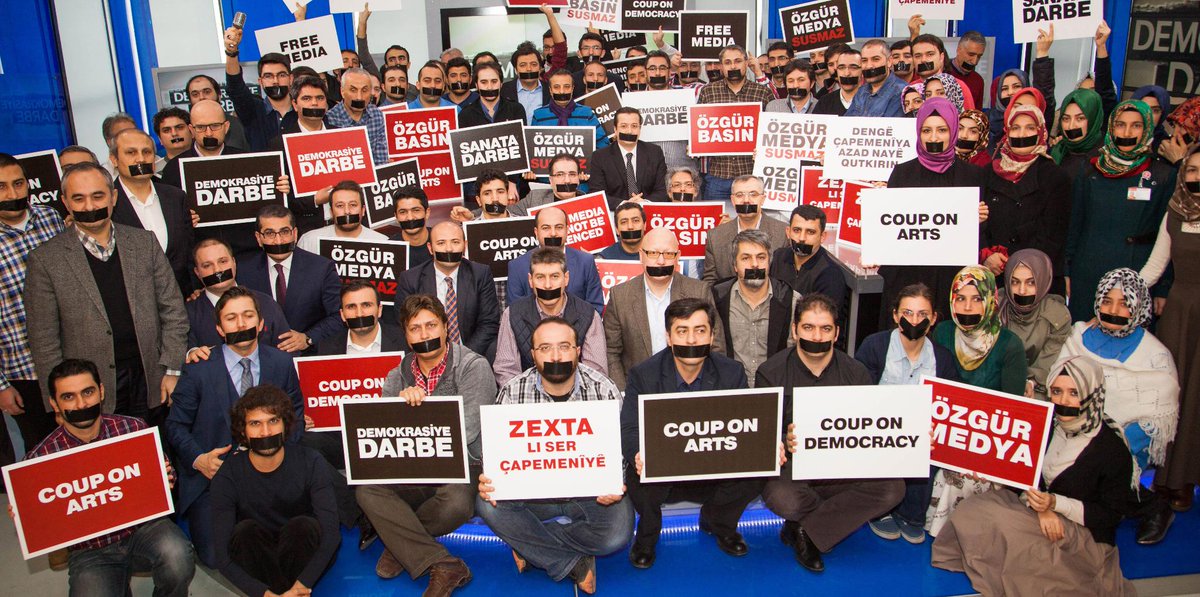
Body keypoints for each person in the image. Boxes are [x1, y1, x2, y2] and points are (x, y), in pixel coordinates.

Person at [931, 356, 1138, 596]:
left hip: (1083, 531)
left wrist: (1056, 505)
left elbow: (1110, 515)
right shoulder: (1047, 426)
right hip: (1035, 509)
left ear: (1092, 393)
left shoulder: (1113, 450)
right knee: (971, 509)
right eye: (1057, 391)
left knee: (1023, 545)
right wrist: (995, 475)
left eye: (1074, 393)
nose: (1063, 401)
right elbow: (1025, 477)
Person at [476, 317, 632, 595]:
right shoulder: (512, 391)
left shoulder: (604, 389)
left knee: (617, 535)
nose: (556, 356)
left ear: (578, 351)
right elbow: (497, 456)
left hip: (590, 495)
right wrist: (491, 481)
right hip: (533, 496)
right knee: (486, 504)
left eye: (564, 346)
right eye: (545, 348)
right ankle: (571, 562)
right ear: (532, 354)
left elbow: (619, 451)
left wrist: (614, 482)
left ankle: (529, 545)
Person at [25, 162, 188, 421]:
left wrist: (172, 369)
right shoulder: (45, 260)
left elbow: (173, 310)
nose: (90, 206)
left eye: (98, 196)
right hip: (88, 390)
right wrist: (59, 400)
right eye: (79, 198)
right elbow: (44, 340)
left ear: (113, 197)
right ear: (65, 202)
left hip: (151, 376)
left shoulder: (144, 242)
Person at [20, 359, 195, 596]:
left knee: (177, 556)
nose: (81, 404)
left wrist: (166, 476)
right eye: (68, 397)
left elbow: (167, 474)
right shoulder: (40, 458)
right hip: (91, 549)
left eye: (88, 392)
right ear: (54, 403)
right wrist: (28, 511)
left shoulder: (133, 429)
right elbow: (44, 520)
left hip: (143, 530)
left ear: (101, 391)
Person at [358, 294, 496, 592]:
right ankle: (444, 563)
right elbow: (383, 436)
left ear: (446, 327)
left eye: (431, 325)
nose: (424, 334)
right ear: (406, 336)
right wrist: (398, 408)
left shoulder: (474, 366)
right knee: (366, 490)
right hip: (412, 467)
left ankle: (401, 545)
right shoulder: (396, 376)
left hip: (463, 465)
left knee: (457, 503)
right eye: (415, 328)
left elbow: (469, 429)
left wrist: (422, 411)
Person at [759, 294, 904, 572]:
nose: (817, 336)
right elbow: (762, 436)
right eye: (808, 327)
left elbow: (870, 431)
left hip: (842, 468)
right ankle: (824, 521)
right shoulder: (771, 372)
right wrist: (782, 441)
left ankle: (806, 530)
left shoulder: (856, 373)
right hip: (794, 470)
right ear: (795, 330)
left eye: (825, 328)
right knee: (781, 497)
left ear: (836, 333)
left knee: (893, 488)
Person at [165, 286, 304, 567]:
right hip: (213, 480)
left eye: (248, 315)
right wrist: (199, 459)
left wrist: (277, 455)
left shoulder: (281, 362)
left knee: (295, 541)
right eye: (231, 318)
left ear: (261, 324)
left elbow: (296, 416)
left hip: (270, 473)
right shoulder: (199, 368)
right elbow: (175, 425)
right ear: (219, 329)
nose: (241, 324)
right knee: (217, 556)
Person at [620, 298, 764, 567]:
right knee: (636, 475)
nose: (691, 339)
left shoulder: (731, 372)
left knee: (759, 470)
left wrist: (764, 445)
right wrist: (638, 453)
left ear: (711, 335)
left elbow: (746, 425)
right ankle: (647, 536)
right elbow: (629, 428)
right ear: (669, 337)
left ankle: (719, 523)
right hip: (663, 475)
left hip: (714, 468)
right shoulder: (644, 374)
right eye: (682, 331)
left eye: (700, 330)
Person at [1059, 268, 1179, 544]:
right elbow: (1059, 382)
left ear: (1138, 307)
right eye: (1107, 301)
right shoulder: (1079, 336)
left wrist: (1107, 446)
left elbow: (1157, 416)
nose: (1113, 310)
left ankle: (1154, 508)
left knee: (1098, 469)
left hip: (1123, 442)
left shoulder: (1155, 355)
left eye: (1124, 303)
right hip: (1072, 427)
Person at [210, 386, 340, 597]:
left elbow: (331, 537)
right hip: (257, 555)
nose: (266, 432)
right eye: (255, 424)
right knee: (244, 532)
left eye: (273, 421)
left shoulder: (311, 461)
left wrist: (300, 586)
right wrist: (266, 595)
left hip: (302, 548)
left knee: (303, 526)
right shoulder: (227, 475)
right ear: (243, 431)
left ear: (285, 425)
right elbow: (223, 558)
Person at [927, 266, 1028, 536]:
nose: (968, 307)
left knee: (959, 479)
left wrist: (983, 455)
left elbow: (1014, 410)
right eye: (960, 298)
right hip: (945, 434)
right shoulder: (943, 332)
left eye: (976, 299)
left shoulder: (1009, 344)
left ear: (991, 300)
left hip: (987, 441)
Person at [856, 284, 959, 544]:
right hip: (877, 433)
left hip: (920, 440)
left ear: (933, 319)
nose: (914, 321)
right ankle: (879, 509)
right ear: (895, 315)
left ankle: (911, 515)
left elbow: (950, 409)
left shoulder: (943, 359)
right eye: (907, 313)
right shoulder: (875, 346)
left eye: (922, 314)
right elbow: (857, 398)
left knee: (928, 450)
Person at [878, 97, 988, 327]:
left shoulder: (973, 176)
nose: (934, 137)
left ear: (953, 131)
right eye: (926, 130)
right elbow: (890, 228)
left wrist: (978, 220)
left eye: (942, 130)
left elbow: (979, 237)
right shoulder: (902, 173)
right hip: (907, 277)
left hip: (951, 278)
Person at [1065, 100, 1175, 323]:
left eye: (1136, 126)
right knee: (1083, 333)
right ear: (1111, 128)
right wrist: (1066, 269)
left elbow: (1167, 237)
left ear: (1147, 129)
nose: (1127, 132)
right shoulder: (1091, 169)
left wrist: (1163, 287)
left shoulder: (1162, 174)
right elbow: (1075, 223)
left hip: (1135, 271)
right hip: (1088, 268)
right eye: (1120, 125)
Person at [1140, 144, 1200, 511]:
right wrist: (1121, 293)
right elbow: (1154, 266)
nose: (1196, 177)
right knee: (1173, 394)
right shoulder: (1174, 212)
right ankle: (1164, 477)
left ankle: (1186, 479)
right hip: (1179, 313)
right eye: (1191, 170)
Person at [605, 228, 725, 390]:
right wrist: (624, 392)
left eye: (668, 254)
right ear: (641, 255)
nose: (661, 261)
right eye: (653, 253)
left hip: (692, 388)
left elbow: (716, 345)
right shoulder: (620, 296)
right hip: (639, 389)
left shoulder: (699, 291)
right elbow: (611, 352)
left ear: (678, 257)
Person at [0, 154, 65, 449]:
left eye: (18, 183)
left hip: (68, 358)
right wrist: (1, 386)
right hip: (22, 370)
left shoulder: (51, 218)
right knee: (41, 451)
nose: (12, 194)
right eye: (1, 187)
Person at [980, 103, 1073, 292]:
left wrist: (1018, 265)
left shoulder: (1056, 177)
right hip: (994, 276)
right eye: (1015, 128)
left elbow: (1053, 235)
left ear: (1041, 132)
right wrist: (986, 255)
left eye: (1030, 128)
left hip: (1034, 280)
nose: (1022, 134)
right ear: (1007, 132)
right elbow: (978, 222)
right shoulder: (988, 173)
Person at [237, 205, 343, 355]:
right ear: (259, 238)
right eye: (270, 233)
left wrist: (308, 338)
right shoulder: (243, 271)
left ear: (295, 234)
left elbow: (339, 315)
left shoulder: (321, 268)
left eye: (284, 232)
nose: (278, 241)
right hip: (260, 359)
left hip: (307, 356)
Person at [494, 247, 606, 385]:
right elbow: (506, 370)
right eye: (540, 277)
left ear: (566, 278)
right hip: (526, 395)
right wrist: (531, 394)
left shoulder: (589, 314)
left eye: (555, 276)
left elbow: (596, 373)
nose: (547, 285)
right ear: (530, 280)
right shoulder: (512, 314)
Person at [395, 221, 500, 360]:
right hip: (427, 353)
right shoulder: (410, 279)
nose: (449, 249)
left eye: (455, 242)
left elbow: (489, 323)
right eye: (441, 243)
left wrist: (462, 357)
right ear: (430, 248)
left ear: (465, 246)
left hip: (469, 353)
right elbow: (405, 325)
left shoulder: (480, 274)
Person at [108, 129, 195, 296]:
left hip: (182, 297)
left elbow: (189, 250)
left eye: (147, 152)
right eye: (131, 152)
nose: (141, 159)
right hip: (133, 300)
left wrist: (195, 288)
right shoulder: (107, 203)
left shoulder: (176, 197)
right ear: (114, 159)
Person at [711, 230, 796, 384]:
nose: (755, 264)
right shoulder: (717, 298)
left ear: (769, 262)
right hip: (730, 388)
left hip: (776, 386)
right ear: (735, 265)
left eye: (761, 257)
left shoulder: (791, 300)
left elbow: (793, 355)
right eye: (746, 258)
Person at [696, 44, 774, 203]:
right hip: (718, 175)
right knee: (717, 218)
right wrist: (696, 144)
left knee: (752, 218)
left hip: (752, 175)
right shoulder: (708, 91)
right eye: (727, 62)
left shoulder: (762, 92)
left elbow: (774, 128)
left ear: (746, 63)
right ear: (721, 66)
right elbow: (699, 128)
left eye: (738, 61)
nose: (733, 66)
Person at [187, 238, 289, 353]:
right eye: (207, 265)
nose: (217, 270)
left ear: (234, 263)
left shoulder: (266, 303)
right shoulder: (187, 314)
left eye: (223, 261)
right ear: (197, 272)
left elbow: (288, 351)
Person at [999, 249, 1073, 402]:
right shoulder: (995, 306)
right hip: (996, 381)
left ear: (1043, 280)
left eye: (1031, 282)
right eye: (1015, 282)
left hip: (1038, 385)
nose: (1022, 291)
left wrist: (1029, 382)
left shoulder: (1057, 315)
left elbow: (1047, 362)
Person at [506, 207, 604, 312]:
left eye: (559, 227)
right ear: (536, 232)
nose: (553, 233)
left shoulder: (586, 261)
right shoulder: (517, 266)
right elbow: (516, 311)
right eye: (546, 228)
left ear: (567, 230)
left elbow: (595, 307)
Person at [702, 175, 788, 285]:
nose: (746, 200)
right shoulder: (715, 236)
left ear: (762, 199)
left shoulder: (782, 232)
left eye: (753, 194)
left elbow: (785, 280)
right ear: (733, 200)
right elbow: (710, 282)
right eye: (739, 195)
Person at [222, 25, 292, 152]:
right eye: (268, 76)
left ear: (291, 78)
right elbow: (235, 88)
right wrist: (231, 52)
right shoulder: (253, 111)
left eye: (281, 75)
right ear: (260, 82)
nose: (275, 81)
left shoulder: (303, 109)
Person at [769, 205, 848, 317]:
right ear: (788, 232)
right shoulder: (779, 257)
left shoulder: (830, 275)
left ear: (822, 236)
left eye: (810, 232)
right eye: (797, 230)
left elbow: (823, 320)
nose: (802, 238)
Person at [587, 107, 668, 208]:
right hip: (615, 213)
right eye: (623, 126)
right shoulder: (600, 156)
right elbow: (597, 194)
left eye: (634, 126)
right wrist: (625, 204)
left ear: (640, 129)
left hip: (648, 211)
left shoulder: (654, 152)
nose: (629, 131)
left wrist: (644, 203)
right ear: (615, 129)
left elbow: (662, 191)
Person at [159, 99, 246, 190]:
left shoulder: (246, 162)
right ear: (191, 130)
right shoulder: (174, 168)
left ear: (226, 127)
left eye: (215, 126)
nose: (209, 133)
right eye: (201, 127)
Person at [296, 180, 387, 253]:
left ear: (363, 210)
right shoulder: (309, 241)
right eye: (340, 206)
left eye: (353, 205)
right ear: (331, 212)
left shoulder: (383, 243)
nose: (347, 211)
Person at [530, 69, 609, 149]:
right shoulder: (538, 115)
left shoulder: (587, 113)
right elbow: (532, 148)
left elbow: (603, 146)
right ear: (550, 90)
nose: (562, 92)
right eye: (556, 87)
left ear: (572, 89)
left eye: (566, 87)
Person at [325, 68, 389, 165]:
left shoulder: (376, 114)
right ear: (342, 91)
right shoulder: (329, 119)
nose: (359, 97)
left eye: (364, 90)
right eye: (353, 90)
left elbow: (381, 160)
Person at [353, 7, 418, 102]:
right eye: (392, 59)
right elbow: (364, 56)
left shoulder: (417, 92)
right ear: (386, 65)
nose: (397, 62)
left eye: (401, 58)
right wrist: (362, 23)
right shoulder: (379, 84)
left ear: (408, 64)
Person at [1049, 88, 1106, 181]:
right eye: (1066, 119)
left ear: (1093, 119)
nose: (1071, 126)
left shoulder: (1108, 157)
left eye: (1080, 118)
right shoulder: (1057, 151)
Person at [458, 61, 528, 129]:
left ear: (501, 83)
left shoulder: (516, 109)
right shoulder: (465, 114)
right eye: (484, 82)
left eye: (494, 81)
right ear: (476, 85)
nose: (489, 87)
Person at [845, 40, 905, 118]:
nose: (869, 66)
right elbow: (847, 121)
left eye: (876, 59)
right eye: (864, 60)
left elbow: (889, 124)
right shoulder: (861, 91)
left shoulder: (901, 92)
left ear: (889, 61)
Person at [502, 43, 551, 125]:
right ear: (516, 70)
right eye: (523, 65)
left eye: (534, 64)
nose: (529, 69)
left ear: (540, 68)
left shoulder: (550, 89)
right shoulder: (504, 91)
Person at [388, 186, 435, 267]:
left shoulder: (442, 241)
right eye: (403, 212)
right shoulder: (388, 250)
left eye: (416, 210)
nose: (410, 218)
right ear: (396, 216)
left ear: (427, 213)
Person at [814, 47, 861, 116]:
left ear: (862, 70)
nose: (847, 73)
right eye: (842, 67)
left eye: (853, 67)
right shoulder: (824, 102)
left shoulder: (874, 100)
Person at [945, 31, 986, 108]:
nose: (974, 61)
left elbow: (976, 112)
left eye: (979, 56)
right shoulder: (941, 72)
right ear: (958, 50)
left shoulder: (978, 80)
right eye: (971, 54)